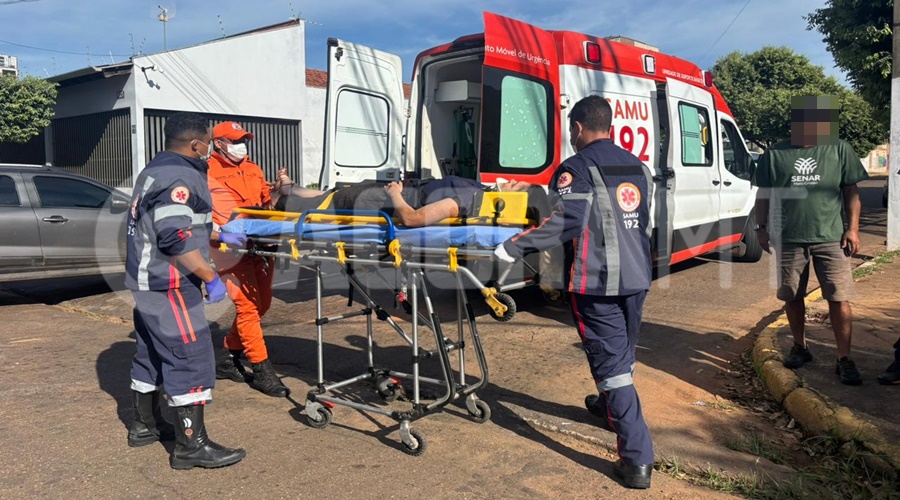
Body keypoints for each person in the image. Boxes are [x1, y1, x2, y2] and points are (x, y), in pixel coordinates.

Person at [493, 95, 655, 489]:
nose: (570, 134)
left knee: (612, 366)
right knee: (622, 353)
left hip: (597, 282)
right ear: (611, 127)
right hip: (637, 276)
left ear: (578, 128)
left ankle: (636, 459)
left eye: (570, 128)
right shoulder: (638, 166)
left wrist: (512, 247)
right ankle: (607, 406)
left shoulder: (576, 168)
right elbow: (644, 220)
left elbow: (566, 222)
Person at [124, 112, 245, 469]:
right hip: (171, 284)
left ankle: (145, 426)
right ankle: (192, 446)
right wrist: (210, 276)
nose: (210, 148)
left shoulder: (156, 169)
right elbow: (174, 237)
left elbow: (174, 222)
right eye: (208, 142)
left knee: (151, 355)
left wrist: (217, 235)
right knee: (190, 358)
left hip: (148, 282)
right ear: (197, 143)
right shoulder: (179, 176)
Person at [753, 95, 868, 386]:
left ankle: (844, 358)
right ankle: (801, 347)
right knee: (792, 295)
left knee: (839, 297)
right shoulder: (775, 154)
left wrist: (852, 229)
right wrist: (761, 228)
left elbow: (851, 192)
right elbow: (763, 194)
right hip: (789, 239)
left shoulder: (839, 149)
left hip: (831, 238)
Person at [207, 121, 289, 398]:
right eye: (235, 140)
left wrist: (280, 190)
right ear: (219, 144)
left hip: (261, 244)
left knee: (262, 304)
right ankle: (262, 369)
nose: (242, 145)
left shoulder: (254, 170)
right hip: (229, 249)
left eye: (243, 140)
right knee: (247, 307)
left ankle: (228, 356)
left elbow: (268, 204)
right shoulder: (206, 173)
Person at [270, 170, 533, 227]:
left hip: (382, 201)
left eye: (516, 186)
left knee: (331, 201)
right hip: (391, 192)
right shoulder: (481, 192)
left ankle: (278, 202)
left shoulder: (466, 201)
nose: (511, 180)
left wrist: (395, 194)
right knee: (336, 193)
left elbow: (412, 218)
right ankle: (290, 187)